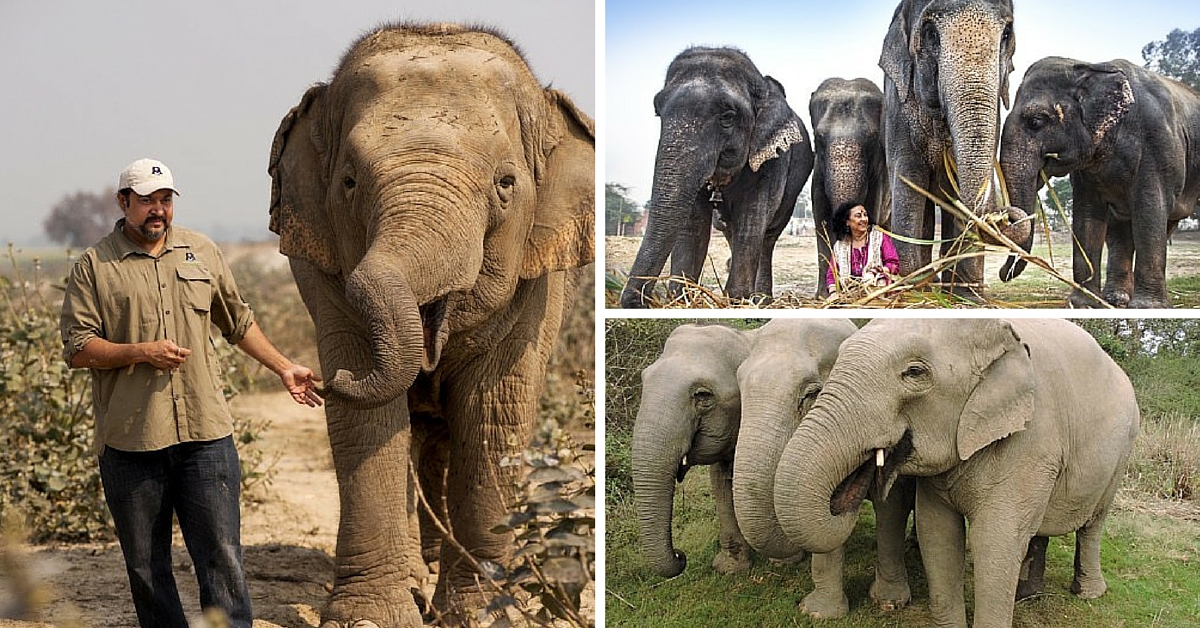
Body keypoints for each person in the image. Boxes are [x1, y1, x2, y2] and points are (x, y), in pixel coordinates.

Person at [59, 158, 323, 628]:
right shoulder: (94, 266)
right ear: (123, 203)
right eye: (146, 201)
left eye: (165, 200)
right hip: (131, 441)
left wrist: (285, 368)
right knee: (146, 567)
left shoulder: (201, 251)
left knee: (222, 557)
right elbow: (79, 349)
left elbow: (237, 322)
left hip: (205, 436)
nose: (157, 210)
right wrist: (140, 351)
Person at [825, 201, 900, 295]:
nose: (864, 219)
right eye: (858, 216)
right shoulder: (840, 246)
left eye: (865, 215)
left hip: (879, 294)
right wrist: (833, 293)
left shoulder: (879, 238)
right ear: (847, 222)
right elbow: (832, 274)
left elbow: (893, 264)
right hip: (849, 296)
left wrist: (875, 272)